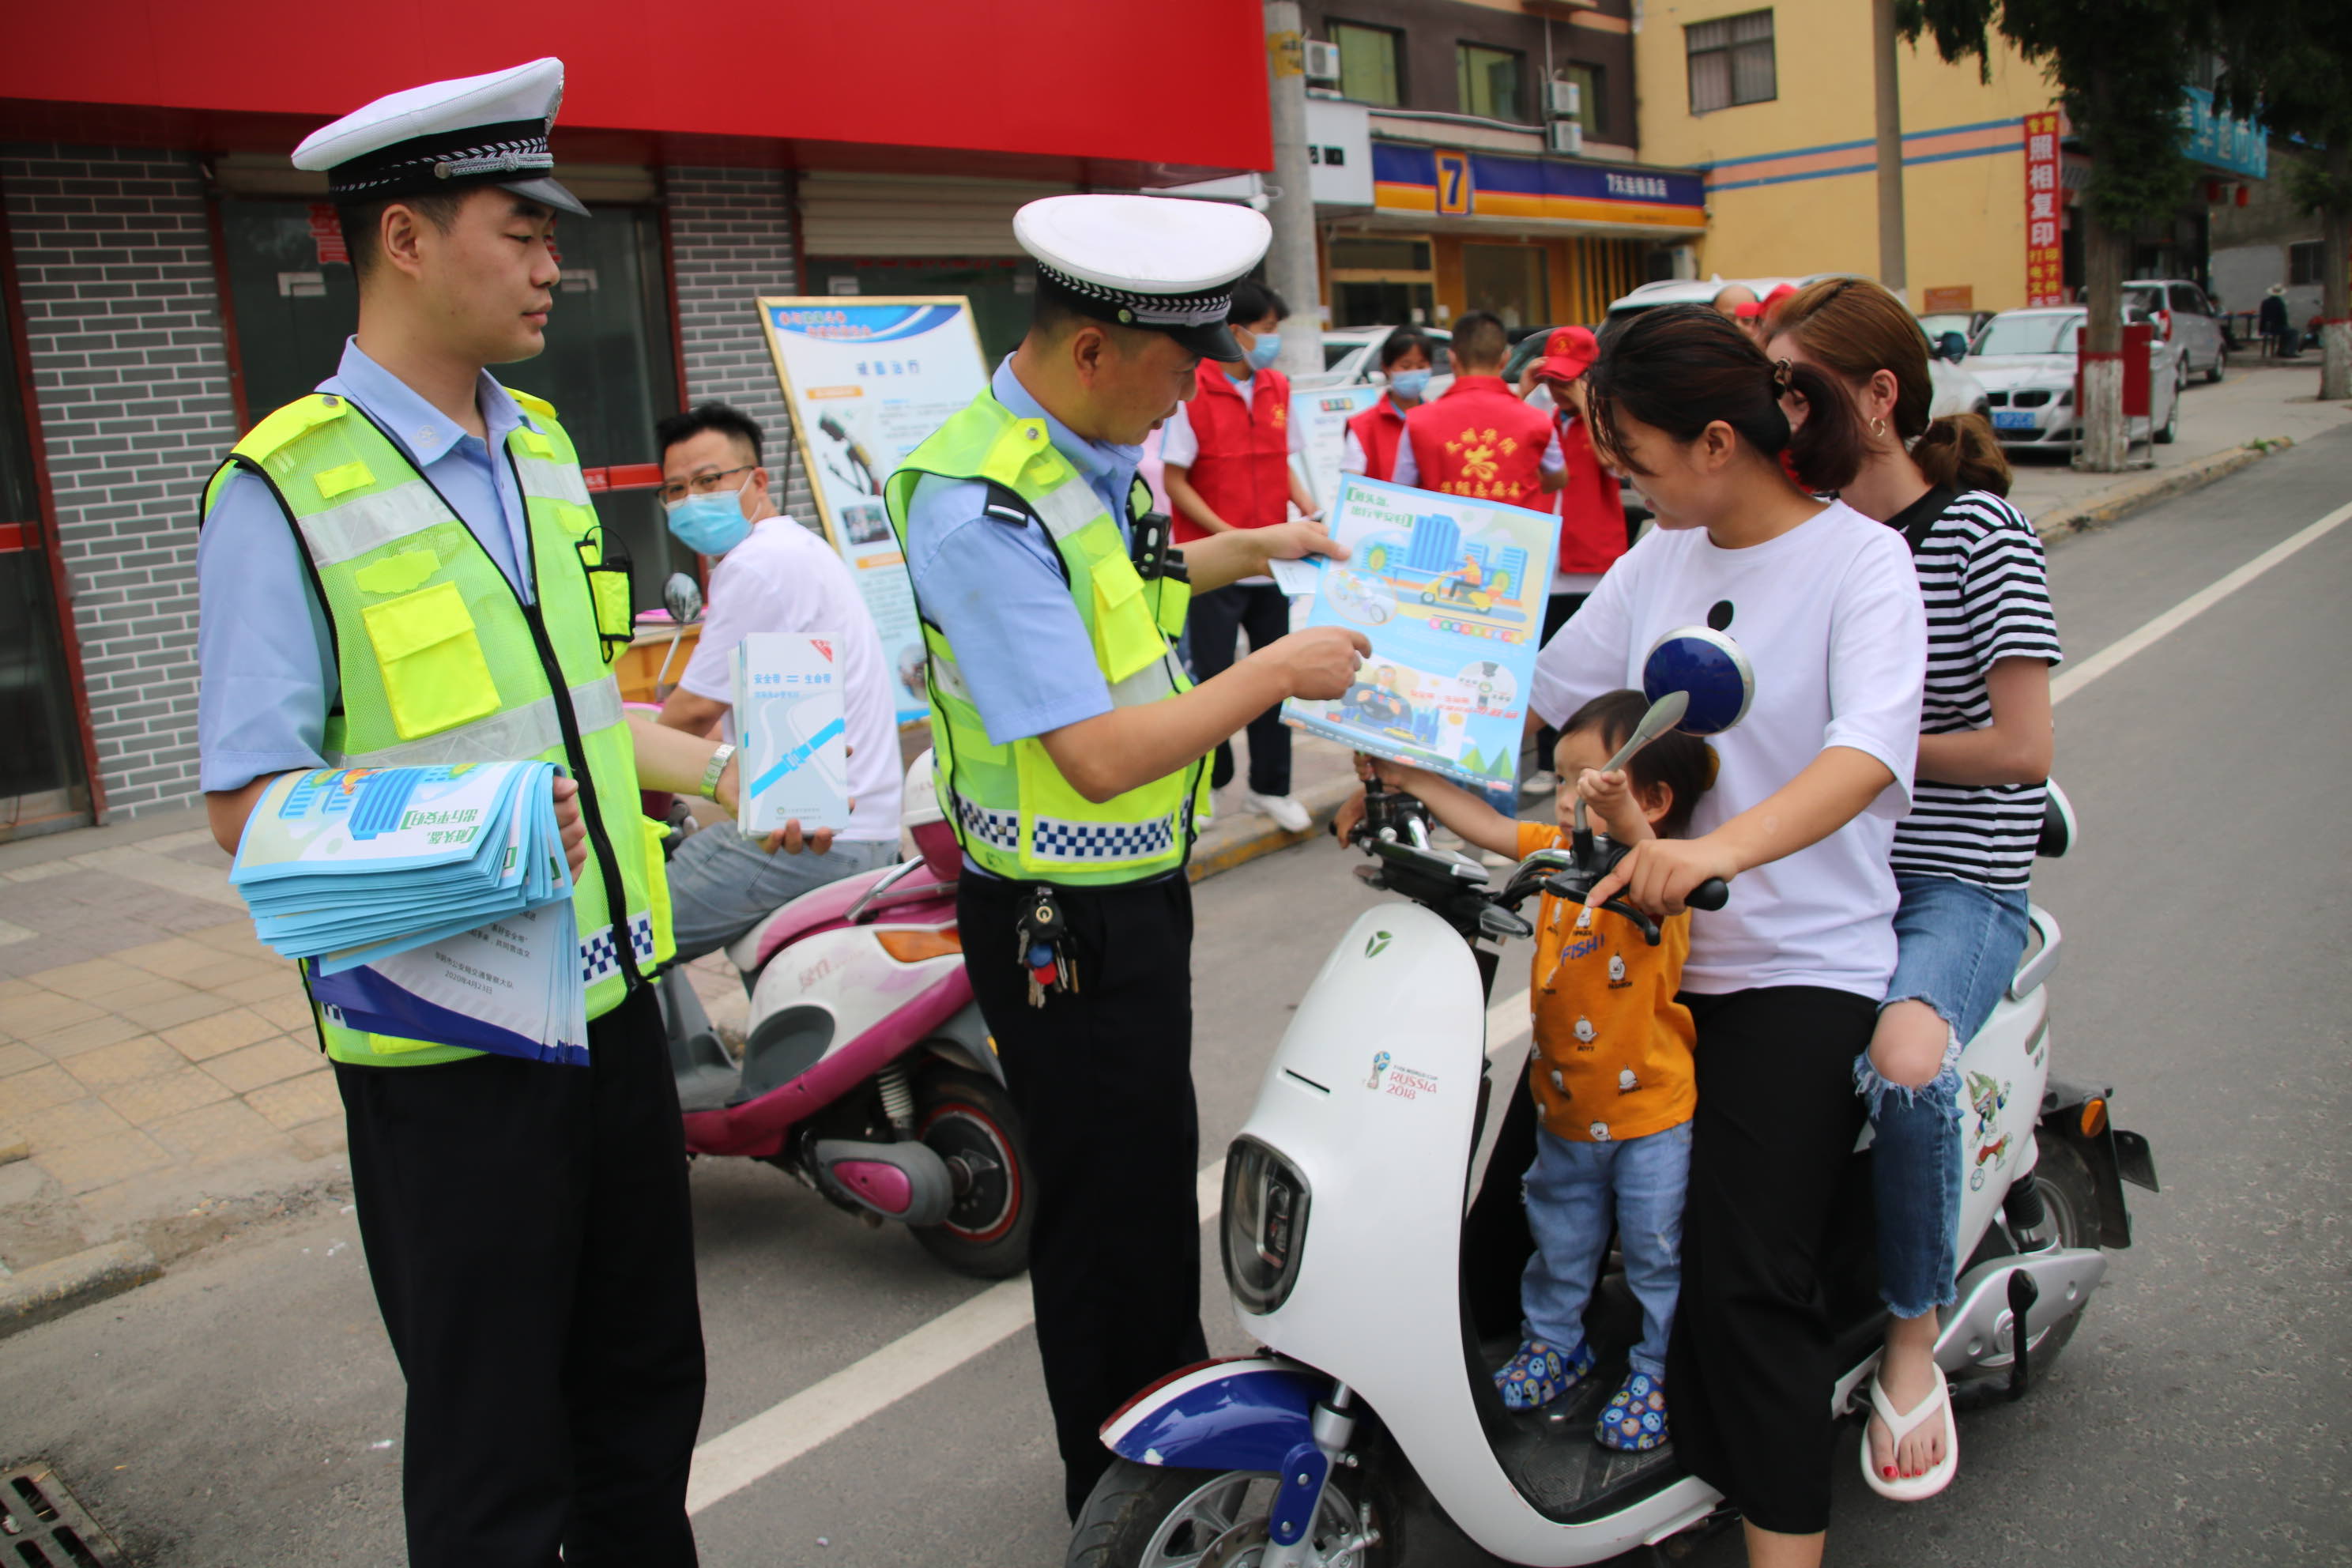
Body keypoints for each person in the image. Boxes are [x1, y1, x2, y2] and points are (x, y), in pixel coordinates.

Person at [194, 59, 723, 1566]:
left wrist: (723, 760)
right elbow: (249, 804)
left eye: (558, 232)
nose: (559, 262)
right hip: (453, 1053)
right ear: (406, 241)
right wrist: (474, 832)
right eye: (521, 228)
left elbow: (566, 712)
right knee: (496, 1459)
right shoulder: (277, 492)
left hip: (621, 1007)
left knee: (643, 1409)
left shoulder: (543, 445)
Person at [884, 193, 1368, 1519]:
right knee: (1106, 1216)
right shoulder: (982, 501)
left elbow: (1135, 585)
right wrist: (1273, 668)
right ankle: (1120, 1489)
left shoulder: (1089, 456)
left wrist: (1258, 550)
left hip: (1131, 897)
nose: (1186, 400)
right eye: (1175, 369)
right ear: (1092, 348)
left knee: (1150, 1181)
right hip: (1061, 913)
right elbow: (1096, 751)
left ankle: (1168, 1443)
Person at [1520, 303, 1925, 1568]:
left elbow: (1866, 752)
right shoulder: (1657, 562)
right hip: (1644, 962)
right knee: (1518, 1209)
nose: (1618, 482)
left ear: (1712, 442)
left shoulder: (1863, 567)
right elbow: (1539, 699)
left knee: (1747, 1276)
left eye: (1630, 457)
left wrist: (1715, 851)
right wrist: (1405, 725)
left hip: (1797, 965)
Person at [1767, 277, 2060, 1500]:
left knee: (1902, 1062)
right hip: (1837, 871)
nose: (1783, 414)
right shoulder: (1814, 531)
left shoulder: (1980, 535)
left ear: (1879, 398)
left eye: (1802, 388)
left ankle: (1905, 1344)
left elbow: (2023, 749)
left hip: (1954, 883)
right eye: (1771, 388)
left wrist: (1861, 749)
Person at [1370, 690, 1714, 1449]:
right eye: (1559, 781)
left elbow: (1638, 849)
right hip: (1562, 1110)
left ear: (1652, 800)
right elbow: (1494, 827)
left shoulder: (1662, 877)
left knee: (1657, 1251)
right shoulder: (1559, 856)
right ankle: (1556, 1345)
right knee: (1558, 1240)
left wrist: (1620, 817)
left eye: (1586, 784)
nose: (1565, 802)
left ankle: (1660, 1368)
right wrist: (1412, 780)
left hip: (1650, 1117)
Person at [652, 401, 903, 958]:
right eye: (675, 490)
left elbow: (693, 713)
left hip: (811, 838)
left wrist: (626, 787)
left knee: (619, 934)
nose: (691, 500)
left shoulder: (755, 565)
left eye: (709, 480)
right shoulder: (797, 548)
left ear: (757, 480)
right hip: (858, 825)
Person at [1161, 280, 1321, 831]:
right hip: (1212, 563)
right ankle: (1208, 788)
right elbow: (1176, 480)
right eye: (1269, 329)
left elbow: (1285, 466)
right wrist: (1232, 537)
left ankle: (1270, 788)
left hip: (1274, 563)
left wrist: (1311, 509)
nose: (1274, 340)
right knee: (1209, 682)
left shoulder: (1278, 386)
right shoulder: (1194, 388)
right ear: (1237, 332)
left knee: (1281, 675)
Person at [1517, 326, 1627, 795]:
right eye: (1552, 379)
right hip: (1545, 559)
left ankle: (1594, 757)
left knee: (1589, 669)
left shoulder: (1604, 417)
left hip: (1592, 558)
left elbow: (1615, 464)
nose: (1558, 389)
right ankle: (1547, 762)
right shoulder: (1539, 416)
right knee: (1542, 662)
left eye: (1567, 380)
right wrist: (1525, 395)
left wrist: (1588, 404)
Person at [1393, 310, 1566, 509]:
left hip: (1443, 536)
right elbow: (1558, 478)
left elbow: (1401, 492)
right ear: (1505, 358)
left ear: (1452, 358)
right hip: (1513, 537)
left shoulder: (1418, 421)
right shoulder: (1537, 420)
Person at [1340, 326, 1436, 482]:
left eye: (1421, 366)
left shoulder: (1440, 421)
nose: (1414, 372)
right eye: (1405, 366)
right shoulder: (1363, 427)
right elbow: (1351, 486)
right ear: (1386, 368)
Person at [2260, 283, 2297, 359]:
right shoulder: (2279, 303)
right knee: (2293, 332)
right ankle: (2289, 352)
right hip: (2277, 327)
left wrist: (2262, 329)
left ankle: (2282, 351)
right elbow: (2283, 317)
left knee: (2286, 331)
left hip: (2266, 327)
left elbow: (2263, 317)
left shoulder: (2265, 302)